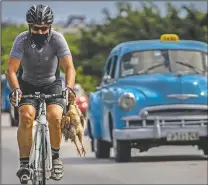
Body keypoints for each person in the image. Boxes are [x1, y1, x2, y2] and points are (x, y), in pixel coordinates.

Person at [5, 4, 76, 183]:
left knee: (55, 116)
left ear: (50, 27)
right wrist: (16, 89)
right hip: (27, 84)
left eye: (44, 28)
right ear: (29, 26)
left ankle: (55, 158)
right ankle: (24, 165)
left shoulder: (58, 39)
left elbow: (69, 68)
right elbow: (11, 70)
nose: (39, 32)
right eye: (35, 28)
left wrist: (68, 88)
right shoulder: (21, 40)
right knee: (26, 116)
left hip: (52, 83)